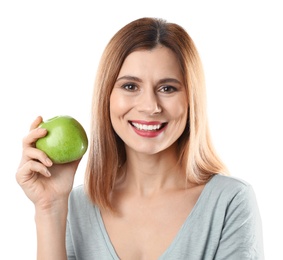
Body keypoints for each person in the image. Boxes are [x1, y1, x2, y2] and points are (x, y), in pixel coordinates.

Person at [16, 17, 264, 260]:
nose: (150, 106)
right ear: (107, 97)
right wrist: (49, 208)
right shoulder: (76, 205)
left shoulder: (230, 201)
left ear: (191, 100)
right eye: (130, 86)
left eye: (168, 88)